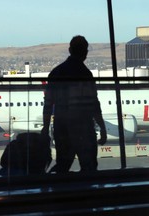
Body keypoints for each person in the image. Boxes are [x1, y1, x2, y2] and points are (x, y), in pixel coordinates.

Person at [41, 35, 107, 173]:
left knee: (62, 166)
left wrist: (45, 128)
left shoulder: (56, 73)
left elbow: (48, 105)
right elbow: (94, 104)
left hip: (62, 128)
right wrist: (102, 126)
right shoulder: (86, 74)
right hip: (84, 128)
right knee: (89, 168)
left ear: (70, 50)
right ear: (85, 53)